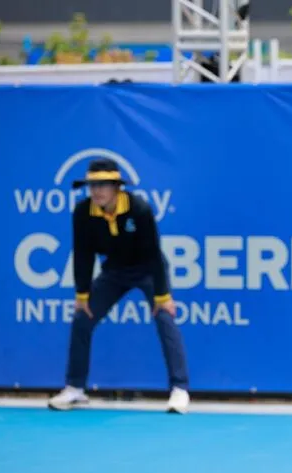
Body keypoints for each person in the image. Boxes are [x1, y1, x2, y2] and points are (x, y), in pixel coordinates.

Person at [48, 158, 191, 414]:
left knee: (165, 318)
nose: (97, 191)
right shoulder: (82, 213)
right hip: (114, 271)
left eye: (104, 184)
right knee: (82, 318)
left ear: (117, 187)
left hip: (148, 269)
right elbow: (83, 255)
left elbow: (154, 254)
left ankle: (179, 389)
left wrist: (163, 295)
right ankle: (75, 388)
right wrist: (82, 294)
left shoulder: (139, 209)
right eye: (93, 185)